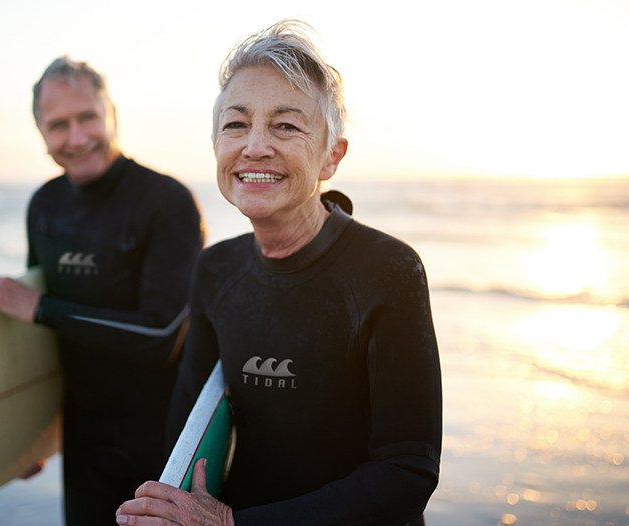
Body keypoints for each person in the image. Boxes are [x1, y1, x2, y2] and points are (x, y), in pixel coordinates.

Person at [115, 20, 441, 526]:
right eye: (236, 124)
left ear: (332, 157)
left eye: (285, 125)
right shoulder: (216, 269)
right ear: (216, 145)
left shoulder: (388, 271)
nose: (255, 146)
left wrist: (230, 524)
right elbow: (191, 433)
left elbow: (407, 471)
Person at [0, 57, 204, 525]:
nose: (76, 138)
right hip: (84, 443)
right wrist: (30, 435)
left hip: (164, 445)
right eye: (58, 125)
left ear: (111, 113)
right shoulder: (46, 206)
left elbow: (161, 336)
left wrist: (39, 306)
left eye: (88, 117)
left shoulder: (166, 202)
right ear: (40, 133)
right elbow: (42, 342)